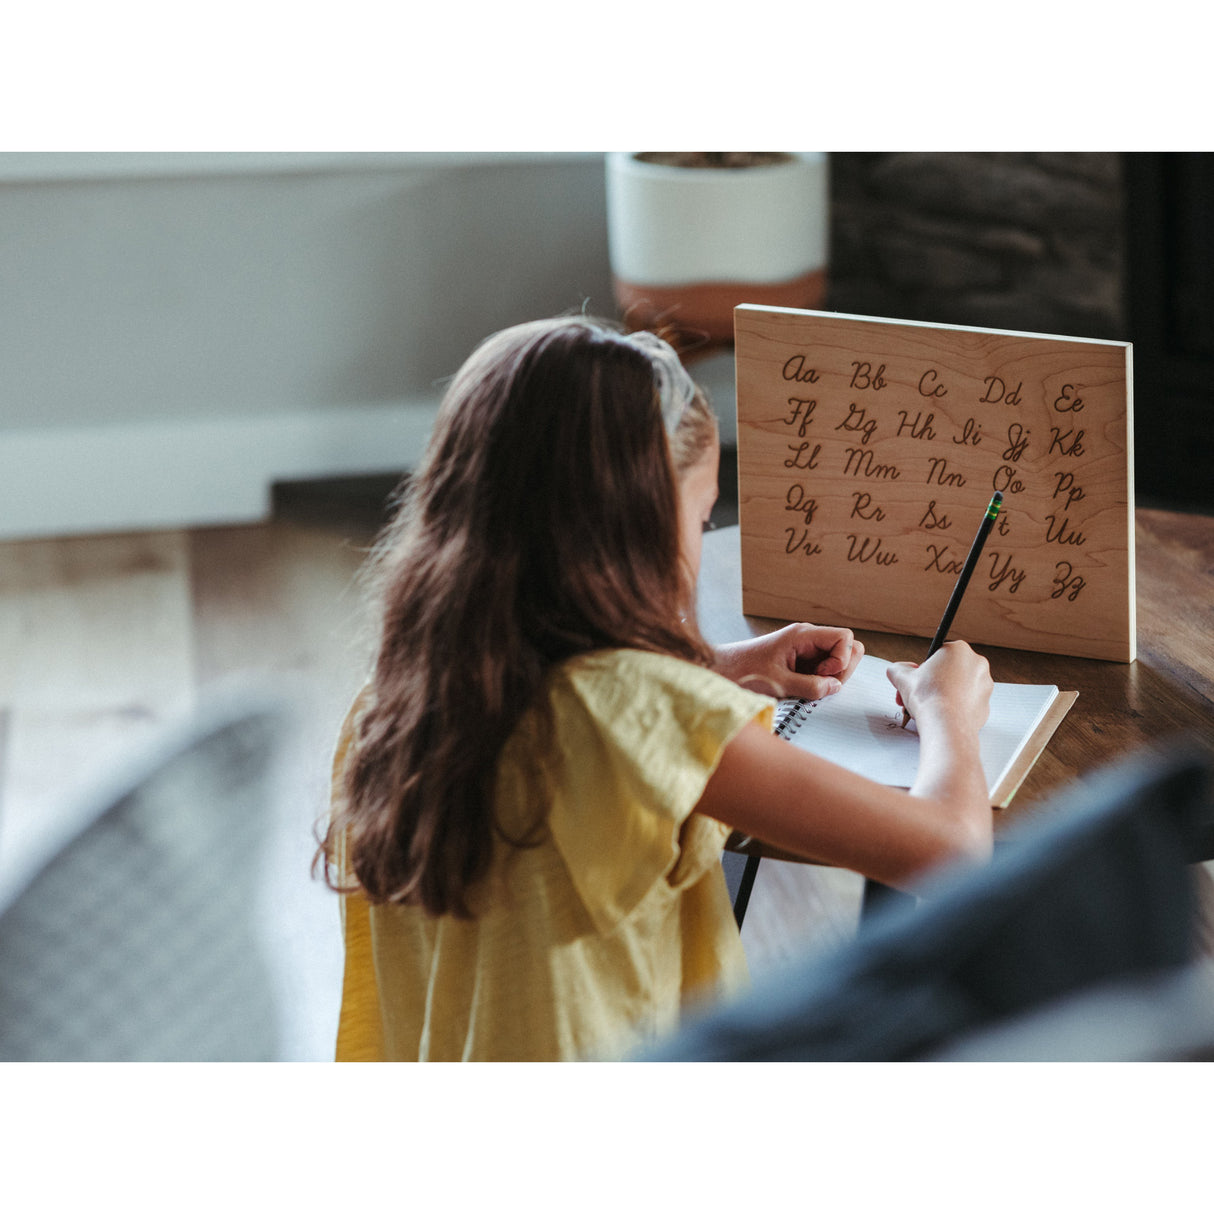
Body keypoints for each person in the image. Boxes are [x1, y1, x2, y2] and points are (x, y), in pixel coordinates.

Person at [316, 314, 994, 1061]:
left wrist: (718, 664)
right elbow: (951, 853)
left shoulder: (405, 694)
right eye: (700, 518)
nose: (700, 543)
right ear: (633, 530)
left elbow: (564, 711)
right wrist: (946, 707)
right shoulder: (646, 715)